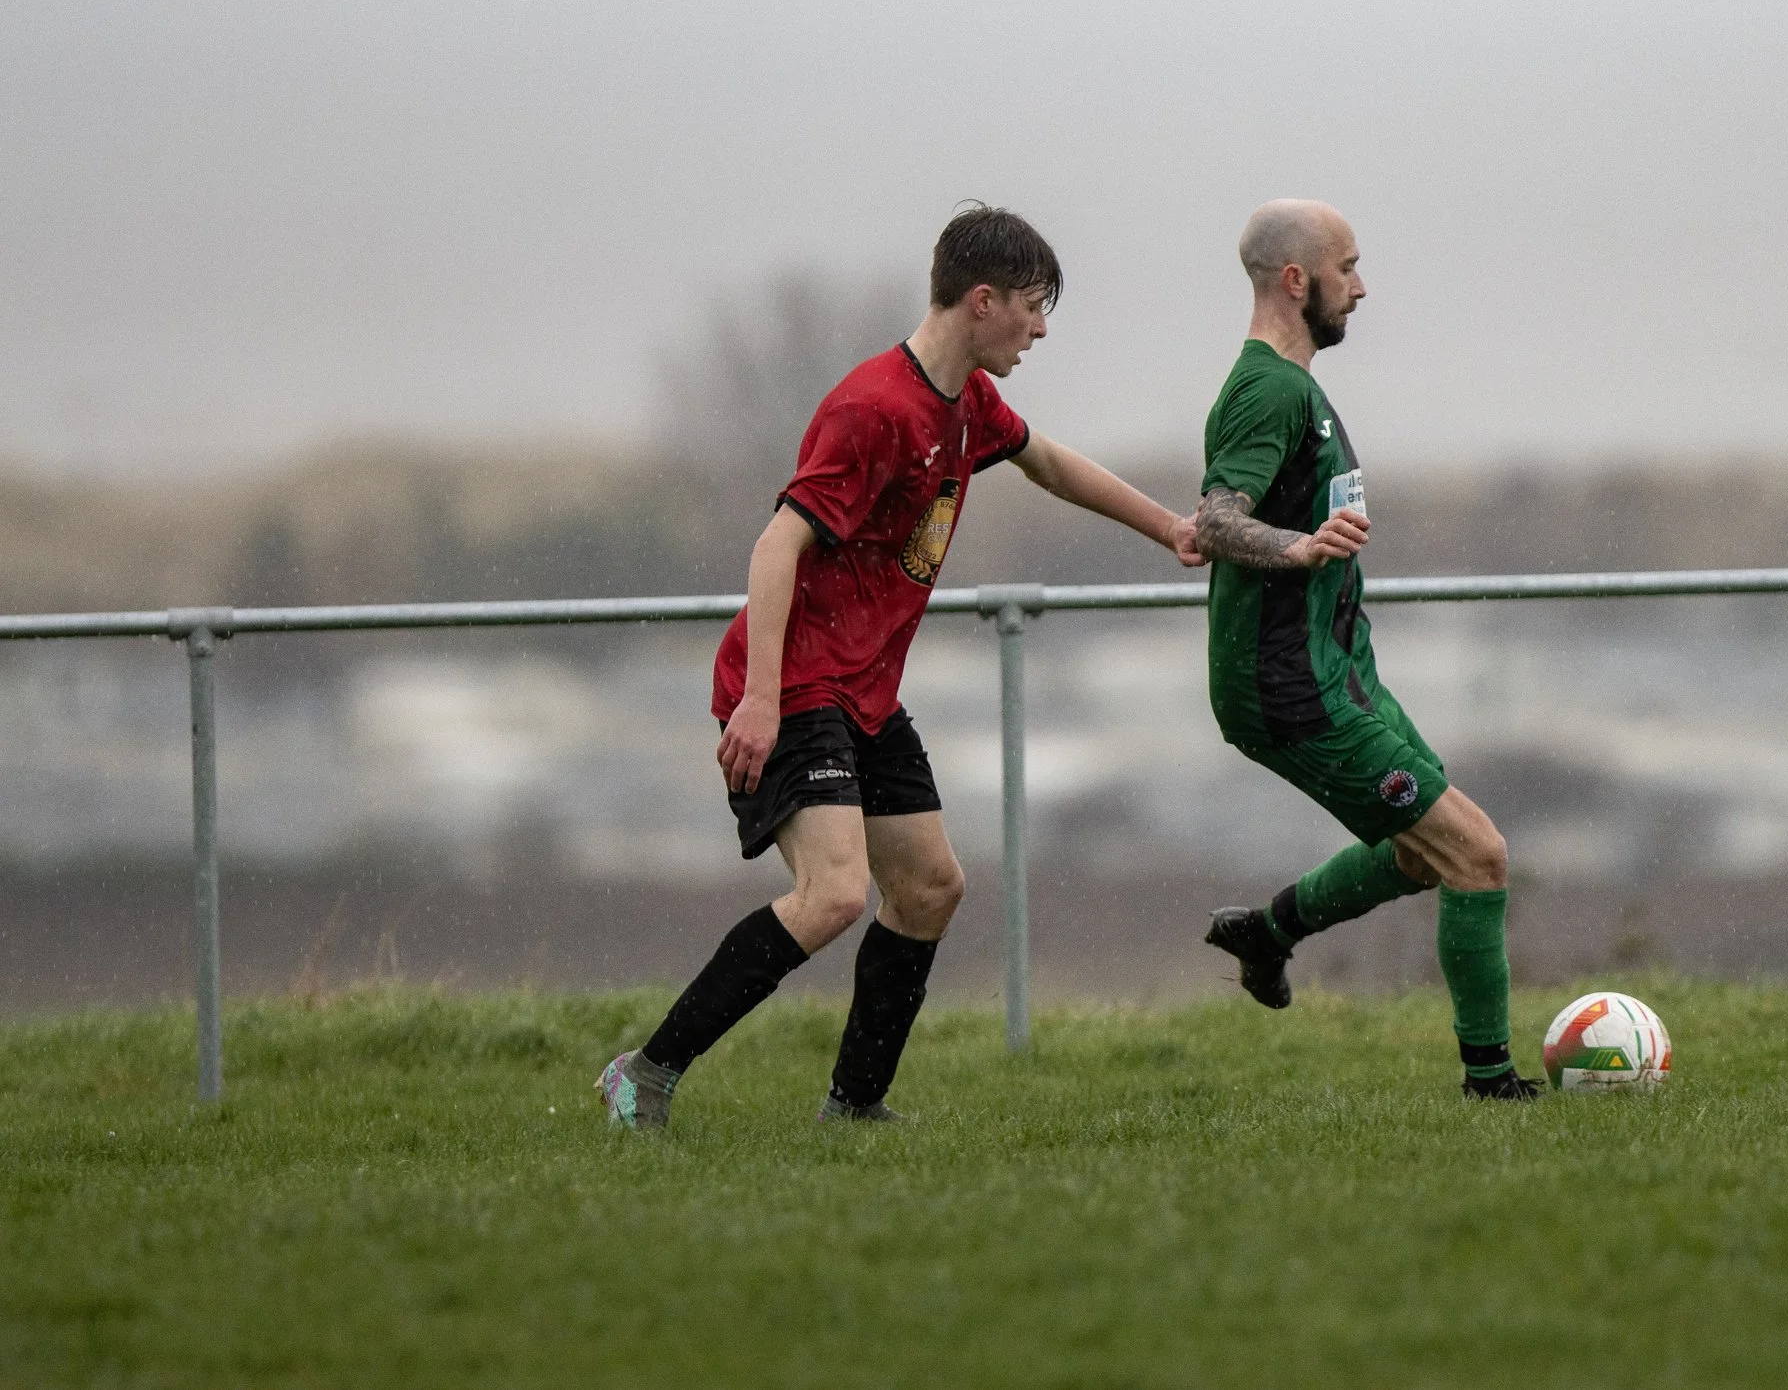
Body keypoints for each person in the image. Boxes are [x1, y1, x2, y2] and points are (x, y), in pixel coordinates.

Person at [601, 205, 1203, 1129]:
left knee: (928, 887)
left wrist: (1170, 528)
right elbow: (775, 548)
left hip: (864, 696)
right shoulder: (873, 408)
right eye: (1034, 309)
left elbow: (1049, 465)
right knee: (836, 893)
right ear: (982, 301)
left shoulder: (970, 406)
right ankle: (643, 1073)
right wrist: (760, 702)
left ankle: (854, 1107)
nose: (1041, 330)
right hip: (795, 686)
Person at [1196, 199, 1537, 1100]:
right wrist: (1298, 546)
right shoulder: (1266, 390)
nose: (1362, 286)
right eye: (1348, 267)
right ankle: (1491, 1086)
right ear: (1296, 281)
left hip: (1339, 669)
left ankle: (1266, 934)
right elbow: (1218, 522)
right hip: (1291, 687)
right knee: (1481, 856)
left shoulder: (1296, 387)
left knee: (1430, 854)